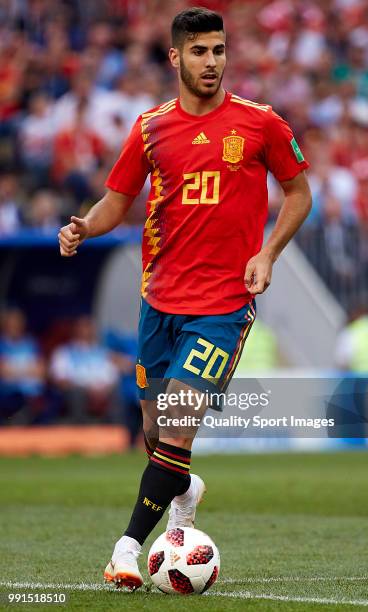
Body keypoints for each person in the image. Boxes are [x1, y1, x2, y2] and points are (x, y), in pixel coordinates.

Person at [58, 7, 312, 590]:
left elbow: (299, 192)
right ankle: (184, 487)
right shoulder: (150, 128)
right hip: (160, 301)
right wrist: (83, 228)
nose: (212, 62)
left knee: (175, 427)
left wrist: (268, 253)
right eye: (199, 51)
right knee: (156, 431)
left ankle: (126, 549)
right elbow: (116, 201)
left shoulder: (260, 123)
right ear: (175, 57)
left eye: (218, 50)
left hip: (224, 304)